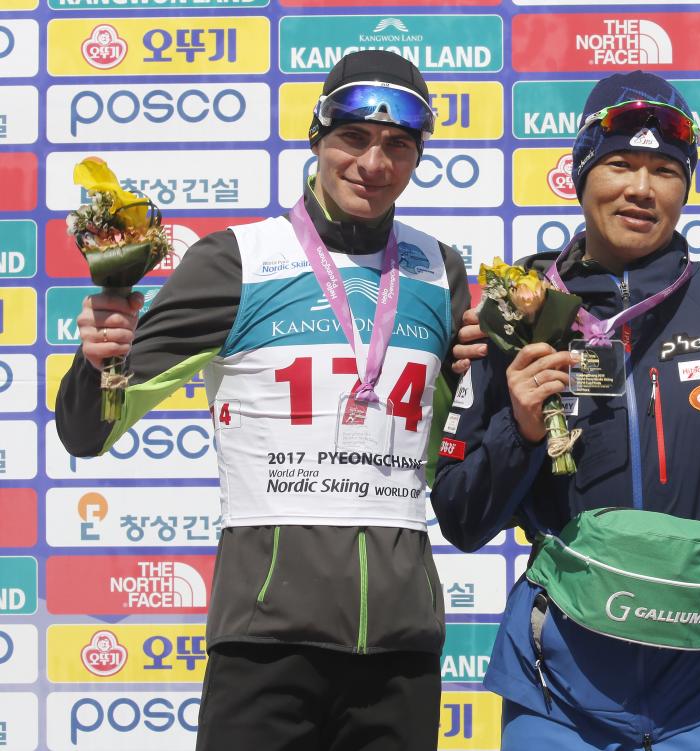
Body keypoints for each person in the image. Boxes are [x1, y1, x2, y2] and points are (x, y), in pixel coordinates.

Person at [55, 50, 471, 751]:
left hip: (401, 647)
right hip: (267, 642)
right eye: (354, 138)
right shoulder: (237, 259)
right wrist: (97, 362)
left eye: (398, 145)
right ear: (317, 139)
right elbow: (87, 432)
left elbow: (450, 445)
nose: (374, 163)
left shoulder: (440, 271)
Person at [432, 71, 700, 750]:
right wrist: (519, 431)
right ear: (579, 174)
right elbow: (461, 516)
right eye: (619, 163)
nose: (641, 188)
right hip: (559, 690)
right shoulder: (515, 307)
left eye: (666, 170)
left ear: (687, 187)